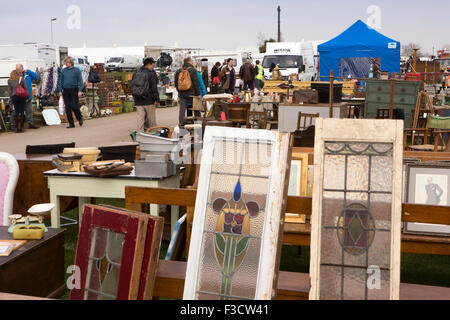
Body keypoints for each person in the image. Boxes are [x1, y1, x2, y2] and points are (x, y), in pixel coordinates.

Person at [131, 57, 160, 131]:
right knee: (151, 120)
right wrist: (157, 99)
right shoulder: (151, 73)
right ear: (149, 64)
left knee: (140, 119)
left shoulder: (136, 72)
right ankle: (153, 135)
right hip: (149, 100)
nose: (153, 67)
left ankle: (140, 134)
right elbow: (154, 88)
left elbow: (132, 85)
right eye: (153, 65)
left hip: (138, 99)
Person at [57, 57, 84, 129]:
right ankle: (71, 123)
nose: (66, 64)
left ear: (71, 63)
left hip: (74, 90)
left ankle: (79, 118)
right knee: (67, 107)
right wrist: (60, 90)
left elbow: (80, 81)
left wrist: (80, 90)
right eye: (65, 63)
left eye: (67, 63)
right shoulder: (63, 70)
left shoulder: (76, 70)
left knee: (74, 106)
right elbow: (61, 81)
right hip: (65, 90)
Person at [175, 57, 200, 126]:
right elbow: (196, 83)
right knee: (196, 108)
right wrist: (198, 94)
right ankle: (198, 123)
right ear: (190, 62)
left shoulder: (178, 71)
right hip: (192, 93)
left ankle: (182, 123)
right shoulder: (193, 70)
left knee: (182, 109)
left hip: (182, 94)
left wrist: (180, 91)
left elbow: (176, 84)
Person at [16, 64, 39, 129]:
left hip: (28, 96)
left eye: (19, 69)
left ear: (22, 69)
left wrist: (28, 71)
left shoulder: (27, 75)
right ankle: (19, 126)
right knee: (19, 111)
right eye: (17, 69)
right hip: (19, 97)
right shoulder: (15, 76)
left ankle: (30, 124)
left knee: (29, 111)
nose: (18, 71)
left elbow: (36, 76)